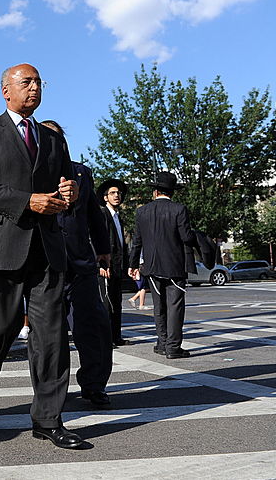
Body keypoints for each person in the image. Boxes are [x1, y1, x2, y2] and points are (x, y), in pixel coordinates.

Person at [0, 63, 83, 449]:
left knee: (51, 335)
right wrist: (26, 201)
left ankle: (48, 418)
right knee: (2, 327)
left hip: (47, 249)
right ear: (6, 90)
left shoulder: (52, 139)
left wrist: (70, 193)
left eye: (38, 82)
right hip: (2, 248)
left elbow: (67, 182)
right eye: (25, 82)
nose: (34, 88)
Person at [43, 120, 113, 407]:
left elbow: (93, 215)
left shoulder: (82, 173)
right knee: (51, 335)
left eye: (57, 139)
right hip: (46, 265)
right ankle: (53, 392)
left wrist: (103, 248)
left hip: (81, 262)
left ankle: (94, 384)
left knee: (94, 326)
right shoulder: (31, 174)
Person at [128, 171, 197, 359]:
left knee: (159, 307)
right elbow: (186, 237)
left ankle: (162, 342)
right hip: (174, 266)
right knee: (175, 306)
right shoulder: (179, 209)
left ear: (155, 191)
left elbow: (137, 241)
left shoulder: (142, 211)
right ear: (172, 192)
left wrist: (132, 264)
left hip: (150, 266)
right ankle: (173, 347)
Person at [98, 179, 131, 347]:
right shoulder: (102, 214)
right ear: (105, 197)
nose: (117, 195)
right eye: (112, 193)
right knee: (106, 305)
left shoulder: (118, 216)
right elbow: (97, 240)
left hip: (118, 267)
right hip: (106, 267)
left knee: (116, 303)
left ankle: (116, 336)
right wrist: (101, 265)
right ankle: (106, 339)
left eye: (118, 193)